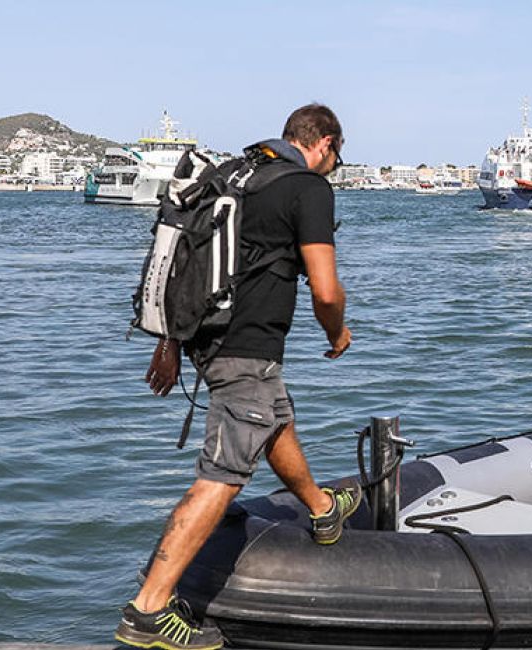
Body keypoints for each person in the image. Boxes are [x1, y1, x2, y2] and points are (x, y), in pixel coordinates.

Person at [116, 104, 355, 650]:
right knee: (223, 473)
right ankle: (148, 611)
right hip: (245, 345)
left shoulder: (235, 174)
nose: (334, 166)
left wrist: (171, 342)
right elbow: (324, 289)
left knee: (274, 419)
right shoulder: (307, 187)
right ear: (325, 143)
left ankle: (321, 510)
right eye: (337, 156)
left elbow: (188, 259)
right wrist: (337, 332)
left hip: (207, 339)